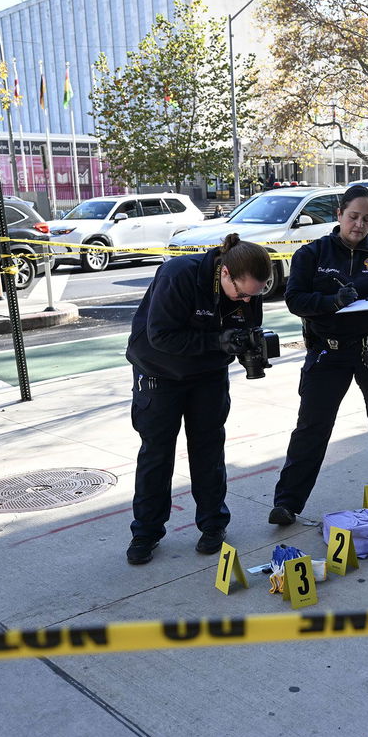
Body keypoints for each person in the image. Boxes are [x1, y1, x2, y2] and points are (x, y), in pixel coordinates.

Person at [268, 184, 368, 526]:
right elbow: (295, 301)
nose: (359, 225)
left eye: (367, 218)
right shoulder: (312, 254)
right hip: (329, 351)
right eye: (353, 216)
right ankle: (287, 503)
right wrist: (332, 303)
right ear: (338, 214)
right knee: (312, 427)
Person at [125, 233, 273, 565]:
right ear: (224, 274)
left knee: (208, 449)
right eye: (243, 293)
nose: (248, 301)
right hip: (158, 371)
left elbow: (245, 326)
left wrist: (250, 349)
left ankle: (212, 525)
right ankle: (146, 532)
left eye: (255, 294)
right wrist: (219, 342)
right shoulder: (178, 275)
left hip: (207, 375)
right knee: (157, 453)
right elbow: (160, 335)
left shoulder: (247, 290)